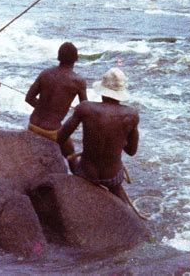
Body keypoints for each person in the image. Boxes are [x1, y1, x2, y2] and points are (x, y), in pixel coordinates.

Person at [57, 67, 139, 204]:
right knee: (118, 192)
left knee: (71, 159)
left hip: (86, 174)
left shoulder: (85, 108)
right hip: (112, 177)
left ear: (102, 90)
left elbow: (60, 138)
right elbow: (131, 151)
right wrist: (119, 138)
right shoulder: (132, 115)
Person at [26, 42, 87, 157]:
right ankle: (75, 174)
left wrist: (44, 108)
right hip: (51, 131)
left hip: (32, 125)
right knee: (71, 153)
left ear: (58, 57)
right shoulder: (78, 81)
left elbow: (29, 98)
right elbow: (85, 109)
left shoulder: (45, 73)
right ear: (76, 59)